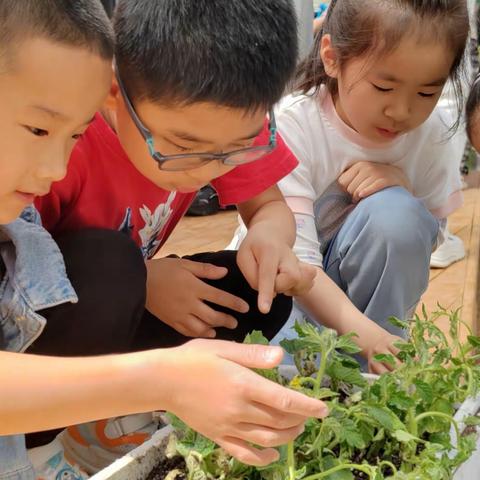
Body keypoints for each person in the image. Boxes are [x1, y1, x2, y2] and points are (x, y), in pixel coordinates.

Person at [0, 2, 328, 480]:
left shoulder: (223, 123)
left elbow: (270, 209)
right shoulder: (58, 159)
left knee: (250, 294)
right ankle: (51, 438)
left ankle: (101, 415)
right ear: (115, 95)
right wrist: (163, 378)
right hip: (76, 307)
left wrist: (269, 243)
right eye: (38, 129)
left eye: (70, 135)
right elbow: (40, 290)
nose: (54, 167)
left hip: (110, 310)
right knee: (111, 267)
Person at [229, 0, 469, 372]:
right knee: (284, 379)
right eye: (383, 86)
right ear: (332, 58)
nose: (402, 111)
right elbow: (296, 265)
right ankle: (367, 353)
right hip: (280, 287)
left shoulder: (432, 134)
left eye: (426, 93)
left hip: (364, 306)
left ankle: (372, 366)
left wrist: (401, 187)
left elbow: (428, 236)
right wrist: (367, 336)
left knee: (399, 216)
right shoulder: (293, 124)